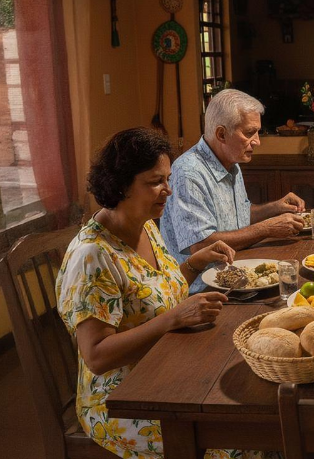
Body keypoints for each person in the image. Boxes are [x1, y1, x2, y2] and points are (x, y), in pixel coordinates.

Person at [56, 128, 275, 459]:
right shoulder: (93, 255)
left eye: (168, 179)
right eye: (154, 182)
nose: (168, 191)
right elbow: (97, 356)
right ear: (120, 185)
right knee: (229, 441)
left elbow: (156, 291)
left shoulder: (143, 224)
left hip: (168, 367)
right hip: (122, 400)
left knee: (253, 404)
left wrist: (194, 264)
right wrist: (173, 319)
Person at [161, 89, 305, 293]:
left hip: (234, 278)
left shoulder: (230, 161)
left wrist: (275, 207)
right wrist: (266, 228)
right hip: (200, 291)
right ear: (221, 134)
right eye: (249, 133)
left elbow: (238, 216)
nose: (257, 141)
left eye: (257, 132)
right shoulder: (188, 173)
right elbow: (201, 245)